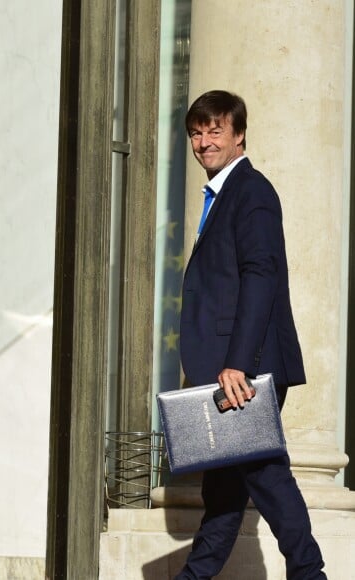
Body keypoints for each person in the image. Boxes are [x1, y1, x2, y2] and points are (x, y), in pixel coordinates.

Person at [176, 90, 326, 579]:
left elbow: (262, 275)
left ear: (239, 135)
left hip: (243, 368)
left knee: (265, 474)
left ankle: (310, 573)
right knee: (222, 489)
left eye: (215, 130)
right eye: (197, 133)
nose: (204, 142)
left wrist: (238, 363)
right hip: (231, 368)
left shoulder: (251, 191)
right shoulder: (224, 194)